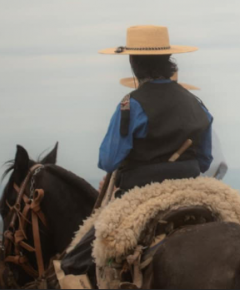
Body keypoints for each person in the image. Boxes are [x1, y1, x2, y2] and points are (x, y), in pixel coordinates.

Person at [58, 25, 213, 286]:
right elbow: (205, 160)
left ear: (133, 63)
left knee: (89, 253)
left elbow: (108, 161)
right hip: (191, 185)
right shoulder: (196, 103)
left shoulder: (131, 104)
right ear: (168, 60)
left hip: (139, 190)